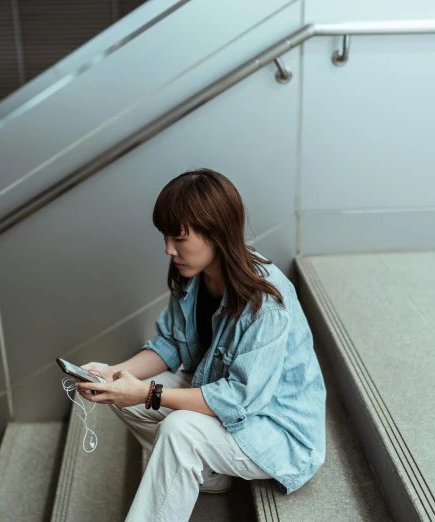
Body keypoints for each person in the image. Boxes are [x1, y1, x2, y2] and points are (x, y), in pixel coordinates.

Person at [76, 168, 326, 521]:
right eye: (165, 236)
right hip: (221, 394)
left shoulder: (266, 302)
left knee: (180, 430)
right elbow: (171, 344)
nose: (168, 249)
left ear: (217, 233)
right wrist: (115, 373)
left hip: (274, 426)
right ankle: (210, 475)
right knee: (119, 392)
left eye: (179, 238)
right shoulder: (192, 277)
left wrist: (149, 394)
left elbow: (239, 399)